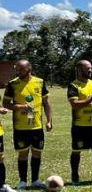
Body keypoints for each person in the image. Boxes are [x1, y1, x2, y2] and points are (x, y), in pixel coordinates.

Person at [5, 59, 52, 188]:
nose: (18, 72)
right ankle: (23, 181)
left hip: (37, 126)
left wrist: (49, 121)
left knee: (37, 152)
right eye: (17, 69)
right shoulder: (12, 84)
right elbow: (5, 104)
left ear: (29, 69)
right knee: (23, 154)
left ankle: (35, 180)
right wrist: (20, 107)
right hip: (21, 127)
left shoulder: (40, 82)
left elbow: (46, 103)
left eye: (21, 69)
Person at [67, 58, 92, 185]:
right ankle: (75, 177)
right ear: (79, 70)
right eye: (87, 68)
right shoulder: (73, 85)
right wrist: (91, 99)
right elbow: (74, 104)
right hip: (80, 125)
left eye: (90, 68)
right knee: (76, 150)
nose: (90, 70)